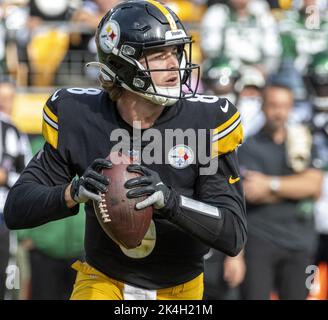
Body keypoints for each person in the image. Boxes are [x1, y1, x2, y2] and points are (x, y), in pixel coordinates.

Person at [4, 0, 247, 300]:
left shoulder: (206, 122)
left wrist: (171, 202)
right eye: (159, 55)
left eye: (175, 52)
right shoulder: (80, 115)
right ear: (123, 63)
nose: (174, 64)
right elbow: (15, 208)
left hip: (180, 289)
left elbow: (234, 233)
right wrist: (73, 192)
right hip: (103, 280)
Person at [238, 82, 323, 300]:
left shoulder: (303, 142)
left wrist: (270, 184)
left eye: (285, 106)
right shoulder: (249, 146)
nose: (279, 112)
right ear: (263, 107)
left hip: (301, 243)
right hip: (260, 241)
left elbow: (314, 187)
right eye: (274, 105)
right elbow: (250, 191)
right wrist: (296, 186)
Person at [0, 80, 32, 299]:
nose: (5, 104)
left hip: (3, 215)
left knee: (6, 271)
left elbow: (28, 175)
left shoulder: (14, 132)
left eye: (9, 99)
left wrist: (5, 178)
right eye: (1, 99)